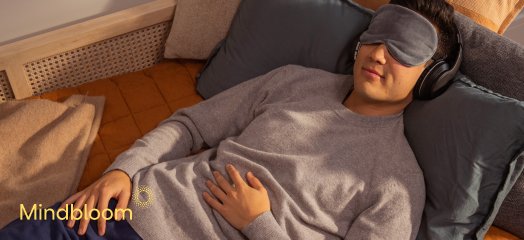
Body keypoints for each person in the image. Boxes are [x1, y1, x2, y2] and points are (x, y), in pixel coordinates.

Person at [0, 0, 461, 239]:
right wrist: (123, 169)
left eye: (403, 50)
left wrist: (258, 223)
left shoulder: (397, 185)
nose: (379, 53)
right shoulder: (295, 80)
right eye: (377, 37)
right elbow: (190, 126)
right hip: (122, 208)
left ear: (430, 79)